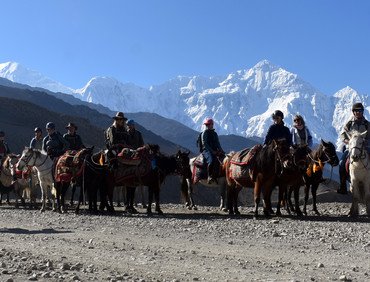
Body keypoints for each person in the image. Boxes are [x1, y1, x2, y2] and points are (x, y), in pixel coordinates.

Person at [337, 102, 370, 194]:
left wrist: (366, 142)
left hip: (365, 148)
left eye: (359, 110)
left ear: (362, 111)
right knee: (341, 163)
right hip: (351, 148)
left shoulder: (367, 124)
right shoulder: (349, 124)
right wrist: (347, 141)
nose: (358, 112)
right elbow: (343, 134)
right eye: (356, 110)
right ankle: (343, 186)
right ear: (353, 112)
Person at [125, 119, 145, 214]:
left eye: (131, 125)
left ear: (133, 125)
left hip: (137, 155)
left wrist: (138, 150)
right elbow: (124, 144)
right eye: (128, 125)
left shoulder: (138, 134)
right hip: (128, 156)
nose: (129, 126)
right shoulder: (125, 134)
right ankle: (128, 204)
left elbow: (142, 144)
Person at [200, 117, 225, 184]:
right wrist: (212, 151)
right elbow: (204, 143)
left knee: (224, 159)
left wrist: (221, 150)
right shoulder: (204, 133)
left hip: (215, 150)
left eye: (210, 124)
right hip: (206, 151)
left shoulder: (215, 134)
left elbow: (217, 143)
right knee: (211, 160)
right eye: (207, 125)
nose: (209, 125)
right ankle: (209, 176)